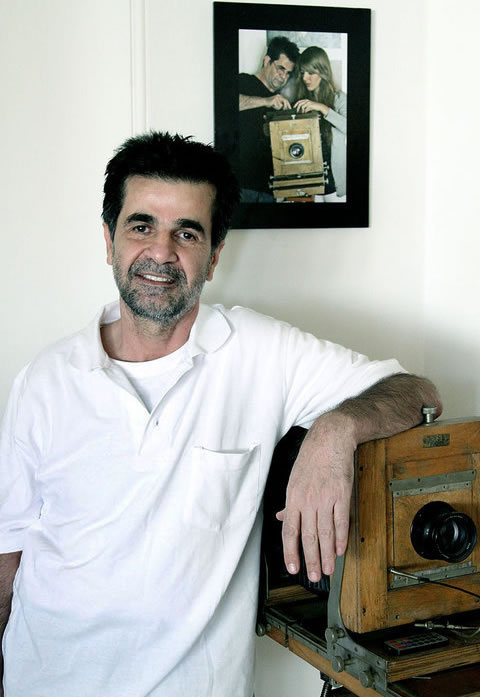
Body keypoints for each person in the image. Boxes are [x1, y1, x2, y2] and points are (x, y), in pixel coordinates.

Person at [0, 131, 441, 697]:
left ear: (213, 258)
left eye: (186, 233)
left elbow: (418, 392)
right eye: (141, 227)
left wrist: (336, 430)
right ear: (109, 241)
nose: (162, 252)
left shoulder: (261, 351)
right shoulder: (43, 381)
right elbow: (8, 550)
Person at [238, 36, 299, 202]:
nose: (283, 76)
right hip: (239, 186)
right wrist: (266, 101)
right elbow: (224, 105)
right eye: (280, 68)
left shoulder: (282, 102)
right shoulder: (243, 81)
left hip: (268, 190)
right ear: (267, 61)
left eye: (288, 73)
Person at [294, 46, 347, 202]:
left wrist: (323, 108)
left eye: (310, 73)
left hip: (334, 184)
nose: (305, 78)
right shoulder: (301, 102)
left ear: (323, 72)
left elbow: (350, 128)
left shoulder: (340, 99)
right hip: (309, 184)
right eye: (302, 72)